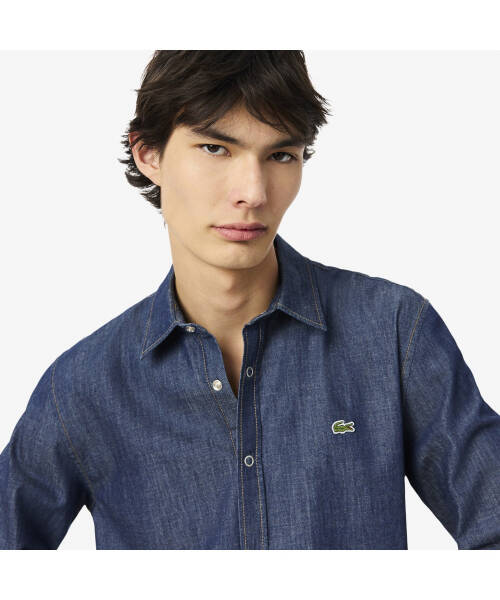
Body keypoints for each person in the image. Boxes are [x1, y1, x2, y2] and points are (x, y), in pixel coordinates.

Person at [1, 50, 499, 550]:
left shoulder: (391, 330)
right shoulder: (84, 384)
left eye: (281, 155)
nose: (254, 192)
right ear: (149, 155)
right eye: (215, 148)